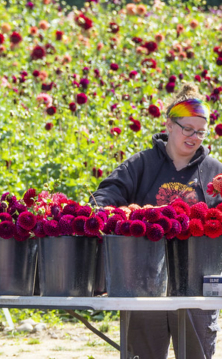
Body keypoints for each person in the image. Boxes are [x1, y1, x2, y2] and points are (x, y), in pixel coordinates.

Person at [93, 82, 222, 359]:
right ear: (170, 125)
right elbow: (105, 197)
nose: (194, 137)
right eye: (187, 129)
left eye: (200, 131)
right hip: (143, 284)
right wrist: (111, 216)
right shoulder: (141, 164)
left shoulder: (214, 172)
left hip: (196, 288)